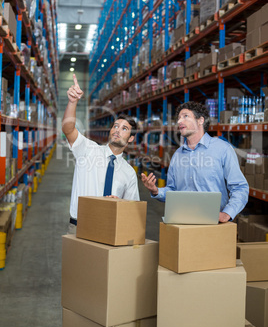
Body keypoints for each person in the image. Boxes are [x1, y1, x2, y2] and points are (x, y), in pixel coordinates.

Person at [141, 101, 249, 222]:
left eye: (185, 116)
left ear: (200, 120)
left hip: (214, 223)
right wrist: (156, 191)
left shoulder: (222, 149)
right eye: (178, 118)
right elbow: (172, 190)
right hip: (183, 221)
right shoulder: (177, 155)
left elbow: (240, 187)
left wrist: (227, 213)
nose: (179, 121)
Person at [62, 74, 140, 234]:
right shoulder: (88, 150)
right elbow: (68, 129)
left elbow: (134, 209)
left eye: (124, 128)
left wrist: (121, 204)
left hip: (111, 229)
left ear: (131, 138)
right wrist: (72, 102)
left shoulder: (129, 173)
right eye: (115, 126)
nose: (117, 130)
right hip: (79, 227)